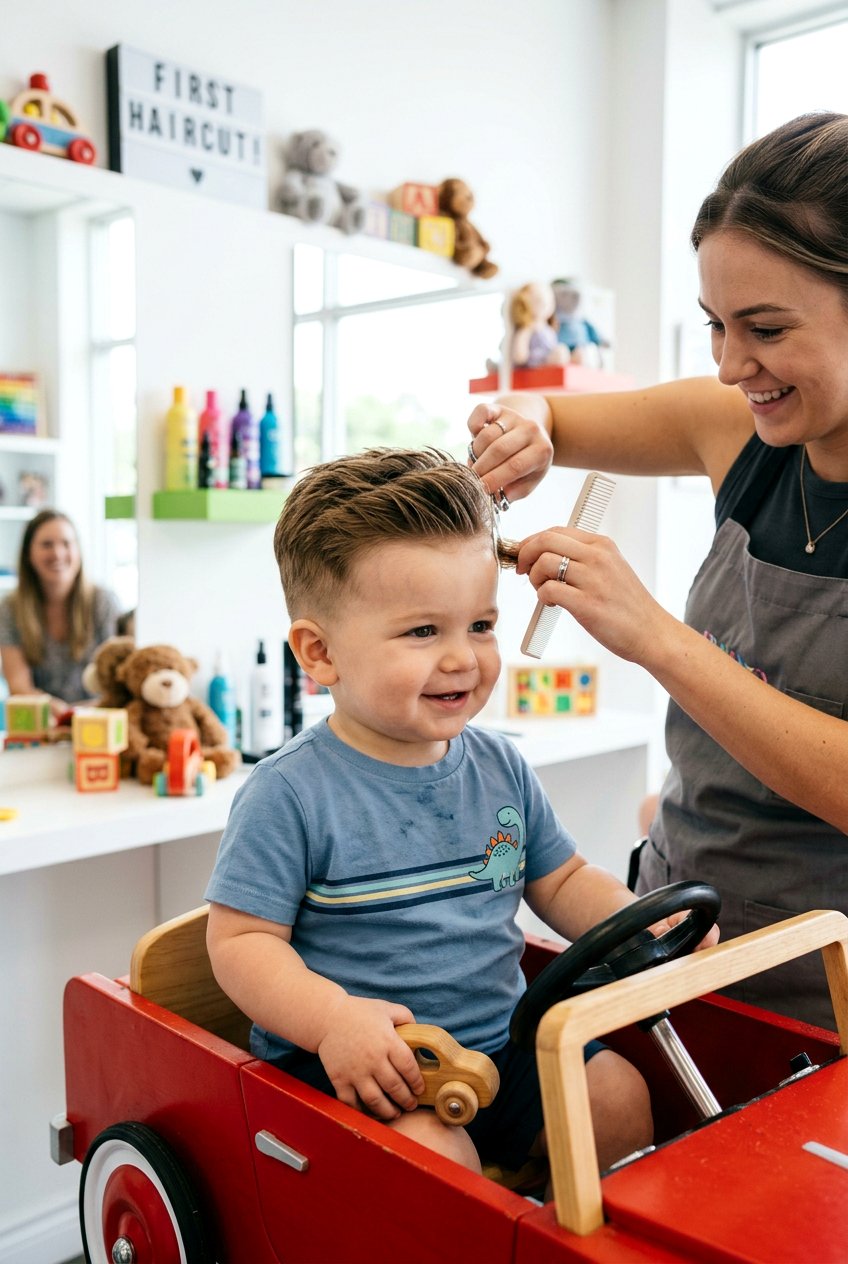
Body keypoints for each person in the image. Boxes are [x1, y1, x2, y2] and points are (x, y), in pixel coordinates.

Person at [205, 448, 716, 1179]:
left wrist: (641, 916)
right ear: (319, 654)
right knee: (434, 1161)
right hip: (369, 1066)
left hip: (504, 1047)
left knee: (617, 1094)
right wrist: (333, 1021)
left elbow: (563, 879)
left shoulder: (498, 765)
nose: (463, 659)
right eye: (423, 632)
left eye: (480, 625)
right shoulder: (290, 793)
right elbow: (242, 943)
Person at [465, 111, 848, 1031]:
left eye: (763, 327)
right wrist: (528, 431)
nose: (728, 367)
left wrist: (657, 640)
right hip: (675, 932)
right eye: (717, 325)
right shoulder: (743, 433)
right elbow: (554, 417)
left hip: (819, 990)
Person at [0, 509, 121, 721]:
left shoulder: (103, 602)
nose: (58, 553)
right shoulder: (10, 609)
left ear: (78, 550)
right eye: (47, 544)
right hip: (41, 725)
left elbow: (118, 680)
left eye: (66, 543)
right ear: (28, 553)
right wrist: (59, 711)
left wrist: (78, 713)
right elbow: (19, 687)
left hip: (99, 721)